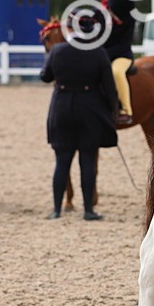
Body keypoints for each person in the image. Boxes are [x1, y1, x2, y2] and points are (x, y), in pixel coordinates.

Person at [40, 19, 119, 220]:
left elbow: (45, 77)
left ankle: (57, 209)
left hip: (61, 108)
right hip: (89, 109)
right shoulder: (99, 52)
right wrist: (113, 110)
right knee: (87, 161)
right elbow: (109, 87)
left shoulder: (57, 51)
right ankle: (88, 210)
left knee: (62, 161)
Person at [102, 0, 137, 126]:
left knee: (116, 72)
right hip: (102, 54)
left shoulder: (129, 20)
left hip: (122, 55)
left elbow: (123, 45)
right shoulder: (101, 14)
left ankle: (126, 110)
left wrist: (102, 53)